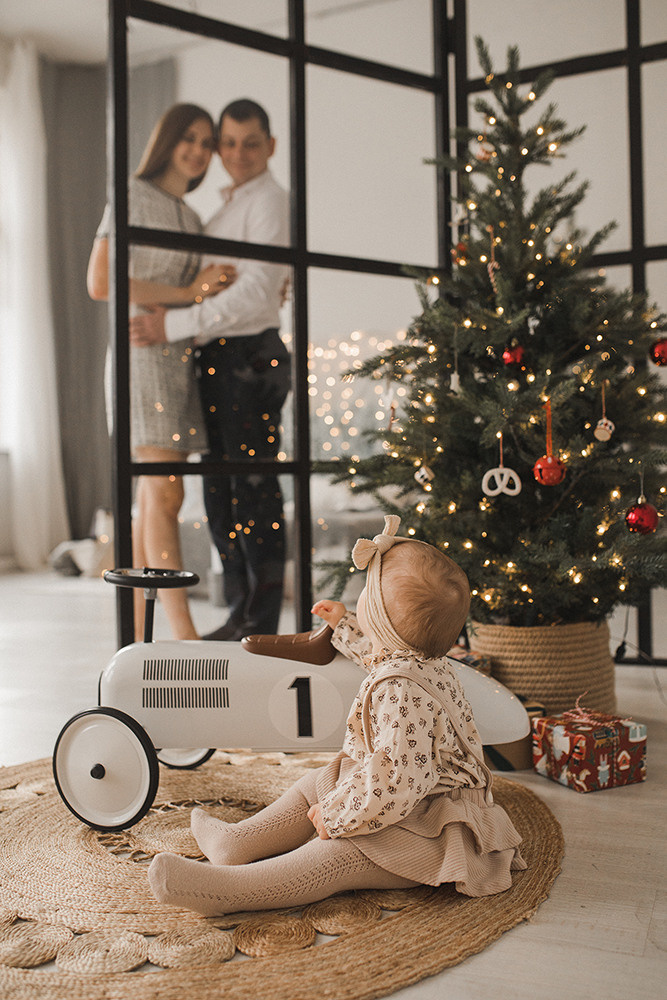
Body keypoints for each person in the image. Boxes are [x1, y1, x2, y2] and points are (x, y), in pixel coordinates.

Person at [147, 515, 527, 916]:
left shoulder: (404, 696)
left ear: (381, 621)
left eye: (367, 597)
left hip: (424, 824)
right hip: (399, 795)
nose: (360, 598)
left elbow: (396, 783)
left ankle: (227, 892)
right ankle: (236, 842)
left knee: (335, 856)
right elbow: (378, 656)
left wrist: (336, 815)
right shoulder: (418, 660)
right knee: (320, 781)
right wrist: (344, 626)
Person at [129, 99, 291, 641]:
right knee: (222, 498)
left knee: (253, 495)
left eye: (250, 142)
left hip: (245, 357)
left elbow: (254, 291)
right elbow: (230, 285)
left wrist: (172, 326)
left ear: (270, 146)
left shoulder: (267, 202)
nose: (236, 153)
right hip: (218, 359)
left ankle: (259, 622)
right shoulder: (218, 211)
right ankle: (240, 615)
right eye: (229, 142)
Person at [88, 103, 235, 640]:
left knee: (152, 497)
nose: (197, 150)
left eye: (206, 142)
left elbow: (201, 298)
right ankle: (185, 635)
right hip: (138, 354)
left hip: (176, 359)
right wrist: (187, 293)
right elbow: (102, 282)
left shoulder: (192, 218)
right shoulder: (131, 195)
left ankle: (136, 637)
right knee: (164, 493)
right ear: (168, 140)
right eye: (189, 138)